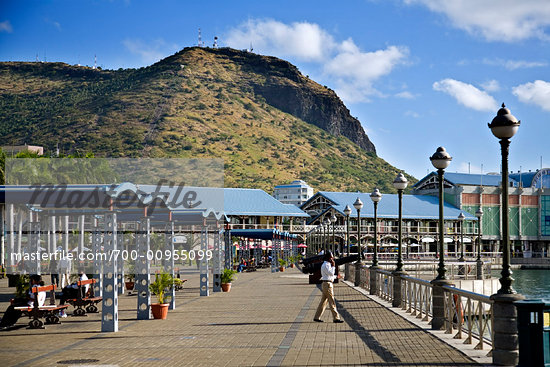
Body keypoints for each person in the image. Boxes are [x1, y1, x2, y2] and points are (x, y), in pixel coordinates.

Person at [313, 251, 343, 323]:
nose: (332, 259)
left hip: (327, 283)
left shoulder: (326, 264)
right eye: (331, 257)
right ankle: (336, 318)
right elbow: (331, 273)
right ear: (328, 258)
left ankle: (317, 317)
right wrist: (333, 266)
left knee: (323, 302)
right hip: (327, 285)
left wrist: (336, 277)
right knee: (332, 301)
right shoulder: (326, 265)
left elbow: (329, 275)